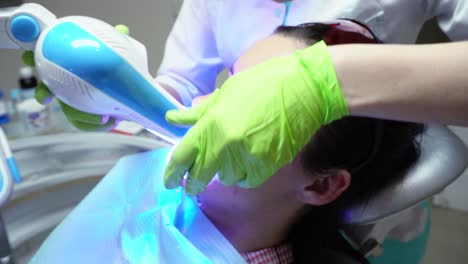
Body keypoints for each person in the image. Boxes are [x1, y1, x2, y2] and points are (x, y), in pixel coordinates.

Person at [32, 23, 426, 263]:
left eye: (245, 113)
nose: (206, 109)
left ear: (319, 184)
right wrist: (118, 97)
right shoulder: (151, 188)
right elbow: (181, 82)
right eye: (225, 85)